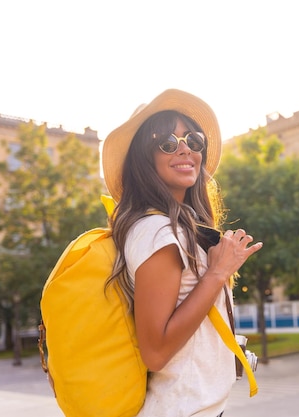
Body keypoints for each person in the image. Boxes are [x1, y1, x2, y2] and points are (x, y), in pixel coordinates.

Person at [102, 89, 263, 417]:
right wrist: (217, 273)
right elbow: (156, 352)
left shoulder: (177, 227)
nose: (185, 148)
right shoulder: (158, 232)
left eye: (193, 139)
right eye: (167, 143)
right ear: (143, 159)